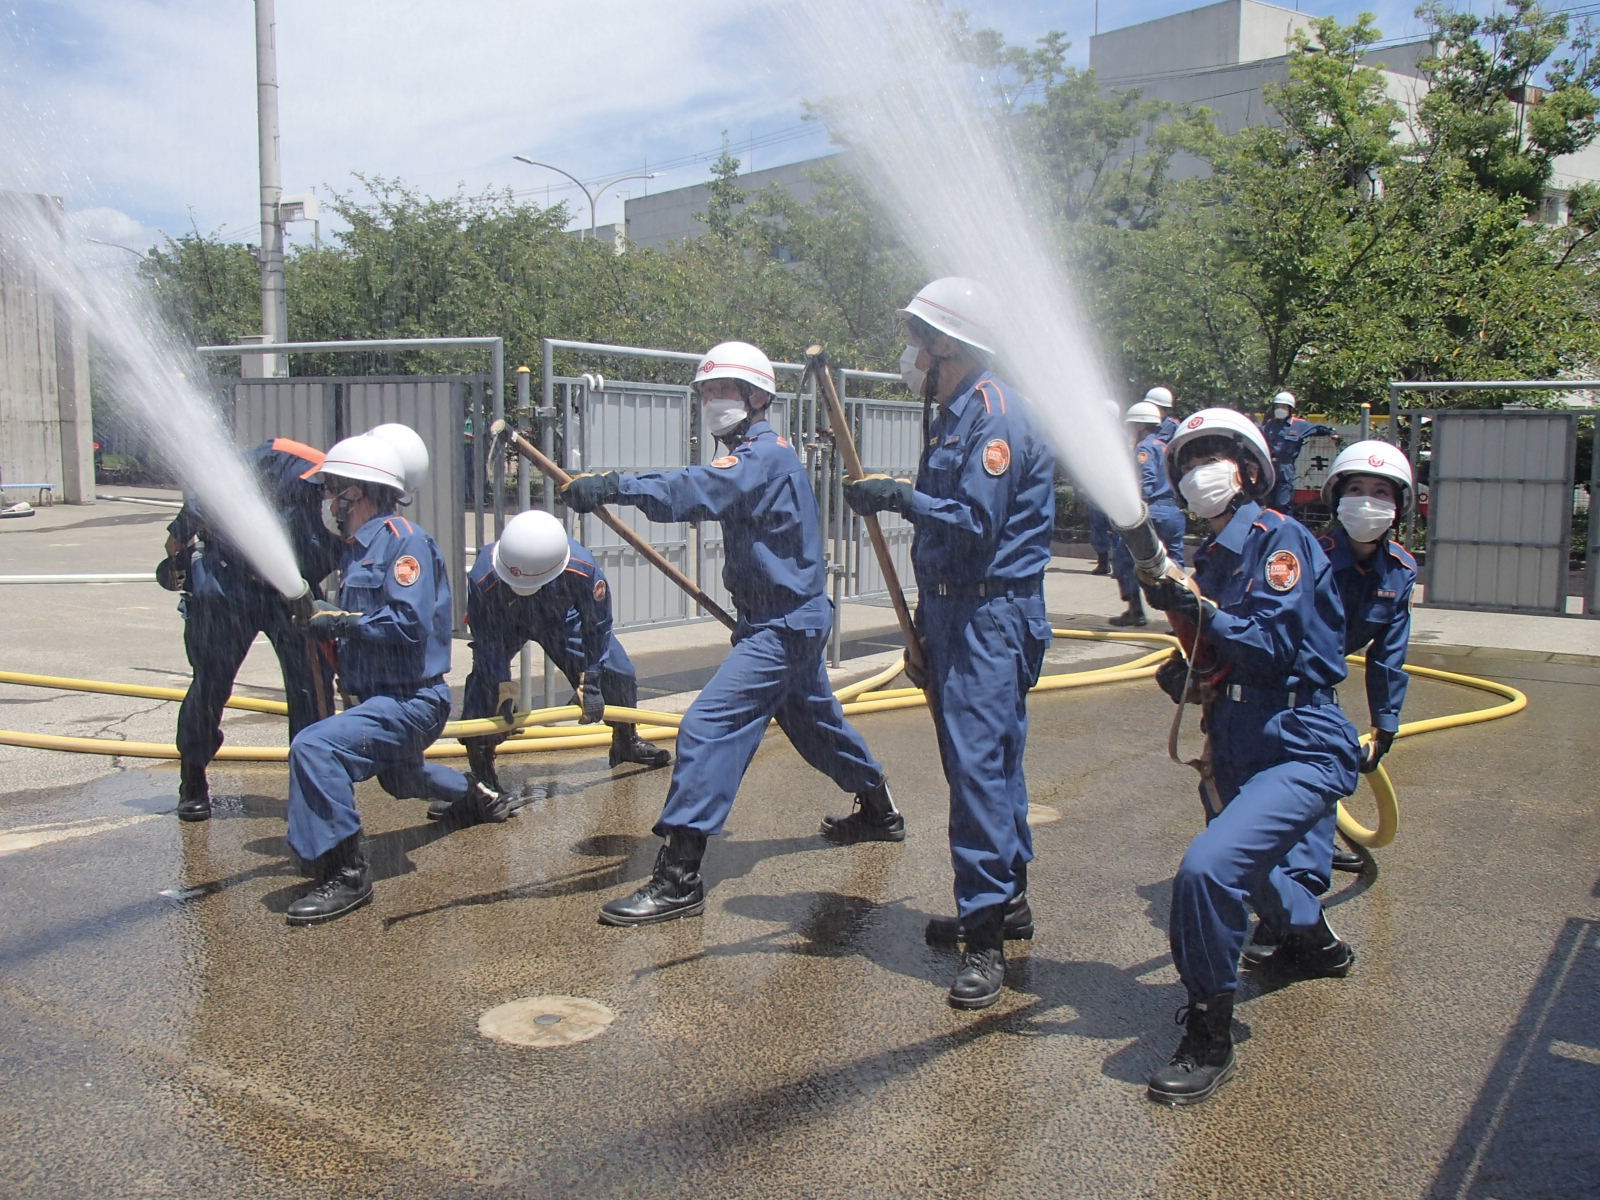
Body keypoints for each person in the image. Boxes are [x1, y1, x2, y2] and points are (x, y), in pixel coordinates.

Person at [562, 340, 898, 928]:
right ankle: (879, 810)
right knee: (817, 726)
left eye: (724, 390)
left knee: (709, 726)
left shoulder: (763, 455)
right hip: (780, 619)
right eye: (707, 391)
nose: (712, 400)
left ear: (758, 397)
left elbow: (698, 490)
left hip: (784, 625)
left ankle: (680, 877)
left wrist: (615, 486)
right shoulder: (756, 453)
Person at [844, 277, 1056, 1011]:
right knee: (991, 767)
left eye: (918, 341)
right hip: (955, 612)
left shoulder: (993, 416)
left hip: (988, 617)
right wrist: (924, 624)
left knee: (978, 777)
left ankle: (986, 937)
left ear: (948, 346)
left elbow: (974, 524)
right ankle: (1007, 901)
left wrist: (901, 497)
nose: (911, 356)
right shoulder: (957, 412)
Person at [1140, 407, 1360, 1105]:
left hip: (1297, 738)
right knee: (1255, 868)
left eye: (1213, 454)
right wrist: (1190, 668)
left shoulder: (1278, 537)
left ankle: (1210, 1034)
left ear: (1249, 469)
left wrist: (1199, 611)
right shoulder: (1211, 559)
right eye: (1189, 458)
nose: (1199, 469)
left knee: (1208, 869)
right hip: (1234, 736)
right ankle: (1314, 942)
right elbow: (1222, 657)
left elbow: (1270, 645)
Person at [283, 431, 455, 925]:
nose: (325, 499)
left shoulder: (404, 542)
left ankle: (346, 873)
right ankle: (476, 797)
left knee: (315, 746)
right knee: (403, 779)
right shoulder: (356, 548)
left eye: (330, 488)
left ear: (354, 493)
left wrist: (341, 621)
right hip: (378, 699)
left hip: (412, 700)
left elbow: (409, 624)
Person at [419, 509, 671, 822]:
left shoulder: (582, 568)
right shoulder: (484, 575)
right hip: (505, 622)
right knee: (484, 691)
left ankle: (626, 740)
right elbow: (487, 642)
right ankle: (483, 777)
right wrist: (501, 689)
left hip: (559, 619)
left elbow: (598, 627)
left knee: (618, 672)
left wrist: (592, 679)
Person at [160, 437, 340, 822]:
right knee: (210, 684)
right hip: (228, 583)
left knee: (313, 690)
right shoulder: (282, 458)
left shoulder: (371, 506)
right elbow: (214, 488)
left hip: (294, 593)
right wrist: (177, 544)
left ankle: (312, 788)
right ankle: (193, 777)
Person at [1316, 441, 1417, 873]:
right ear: (1338, 498)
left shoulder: (1400, 571)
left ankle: (1312, 845)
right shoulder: (1308, 556)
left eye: (1380, 492)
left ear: (1397, 506)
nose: (1367, 502)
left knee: (1326, 761)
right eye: (1356, 489)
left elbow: (1388, 654)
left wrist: (1385, 724)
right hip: (1274, 678)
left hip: (1319, 685)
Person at [1108, 401, 1187, 629]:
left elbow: (1147, 480)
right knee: (1174, 564)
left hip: (1152, 511)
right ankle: (1184, 619)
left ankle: (1135, 611)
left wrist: (1135, 505)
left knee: (1124, 558)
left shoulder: (1144, 447)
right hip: (1172, 511)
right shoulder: (1166, 446)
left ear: (1141, 425)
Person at [1260, 391, 1340, 511]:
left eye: (1283, 406)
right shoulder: (1270, 425)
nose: (1280, 409)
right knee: (1268, 502)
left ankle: (1285, 521)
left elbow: (1317, 429)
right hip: (1269, 466)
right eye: (1277, 406)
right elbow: (1257, 433)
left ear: (1290, 409)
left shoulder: (1299, 425)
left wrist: (1331, 433)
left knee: (1282, 503)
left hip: (1285, 467)